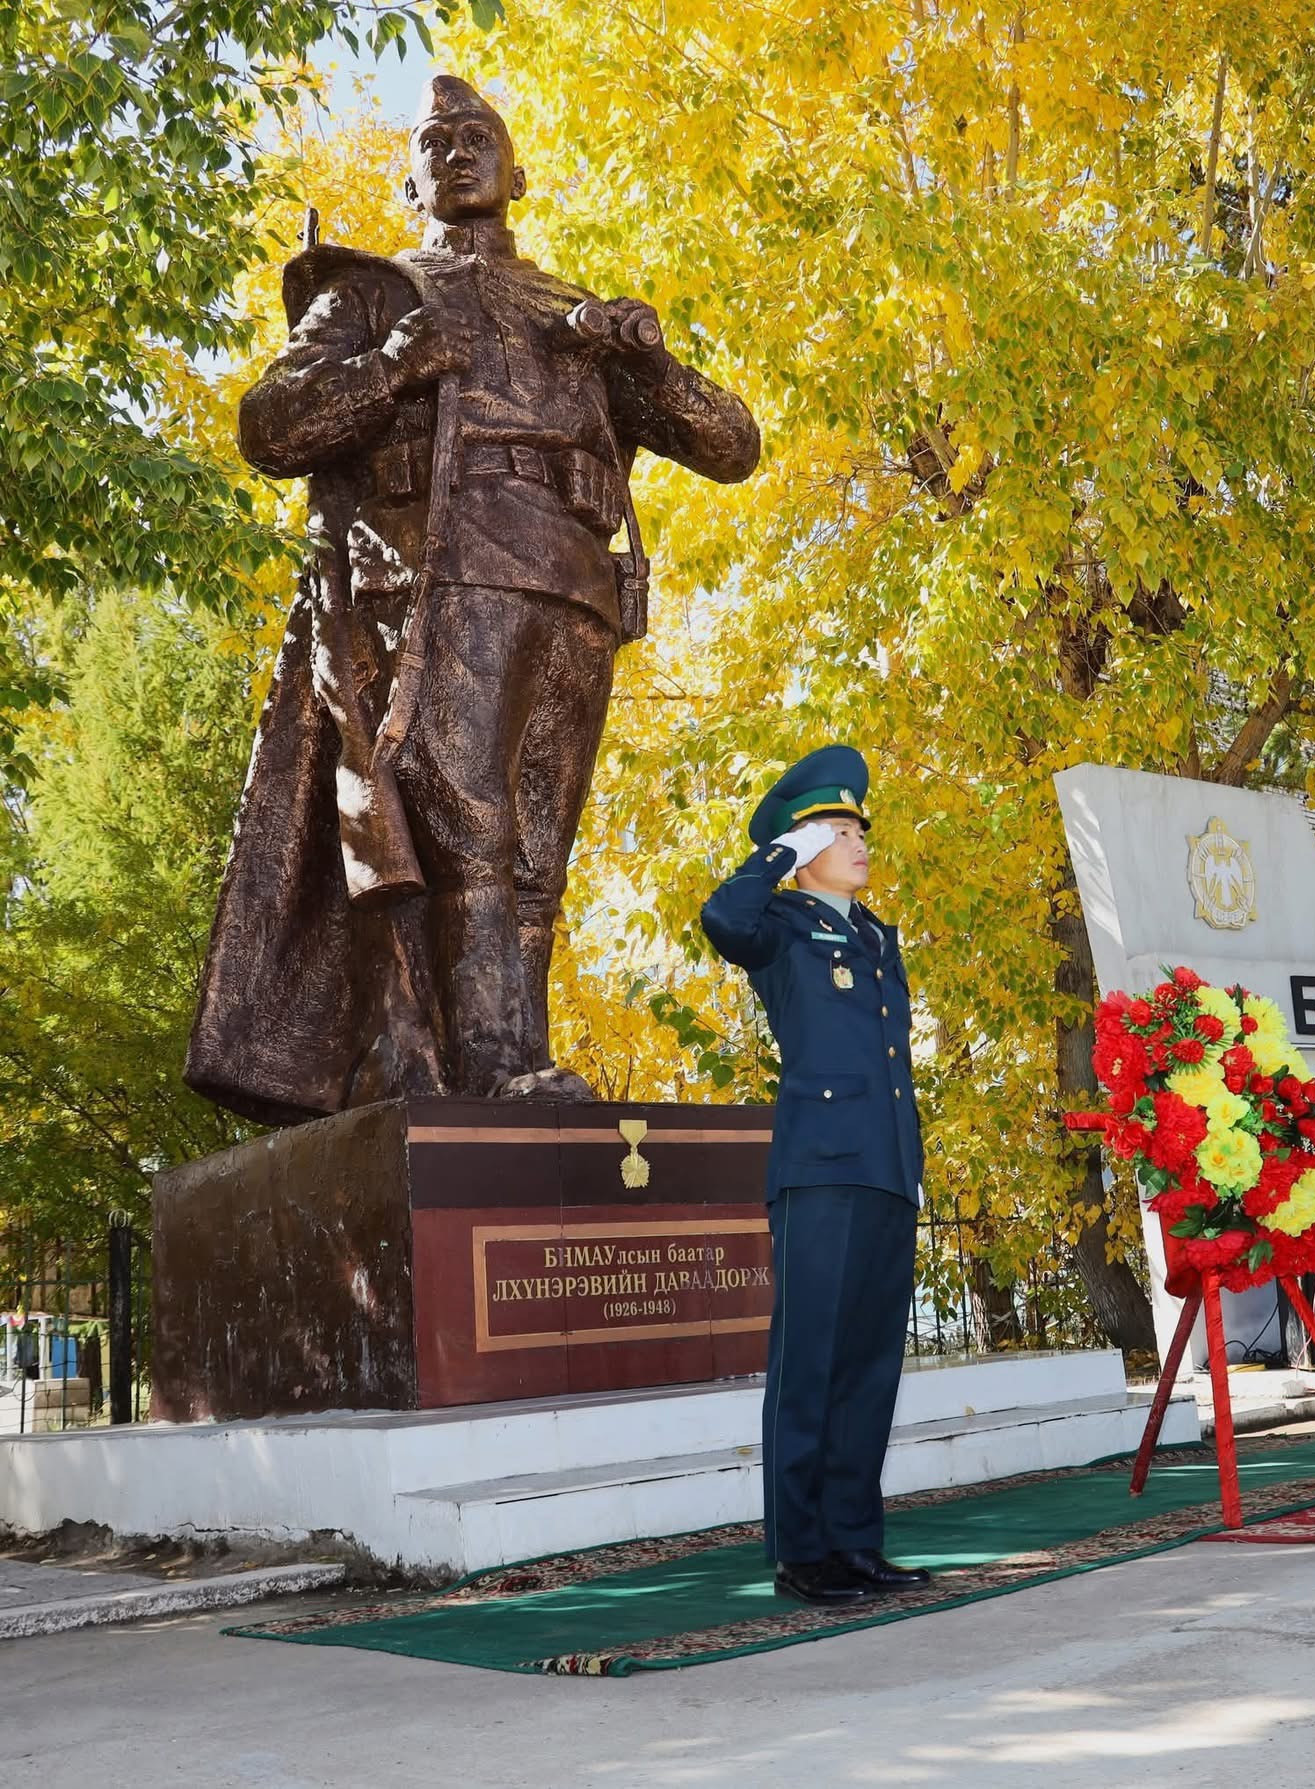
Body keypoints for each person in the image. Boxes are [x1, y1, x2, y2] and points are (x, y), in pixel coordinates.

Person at [186, 74, 761, 1123]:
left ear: (517, 170)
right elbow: (271, 426)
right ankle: (491, 1068)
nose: (456, 151)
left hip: (577, 592)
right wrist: (399, 364)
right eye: (434, 141)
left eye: (476, 135)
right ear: (409, 178)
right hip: (444, 576)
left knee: (538, 850)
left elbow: (730, 447)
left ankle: (517, 1063)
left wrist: (650, 360)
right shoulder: (371, 294)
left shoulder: (572, 312)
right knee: (470, 826)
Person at [701, 745, 931, 1607]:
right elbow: (722, 919)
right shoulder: (783, 930)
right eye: (840, 830)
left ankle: (856, 1543)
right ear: (802, 850)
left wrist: (909, 1165)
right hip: (819, 1171)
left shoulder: (876, 937)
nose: (861, 840)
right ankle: (803, 1552)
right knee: (811, 1365)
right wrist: (779, 856)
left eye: (860, 827)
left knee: (870, 1367)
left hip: (882, 1169)